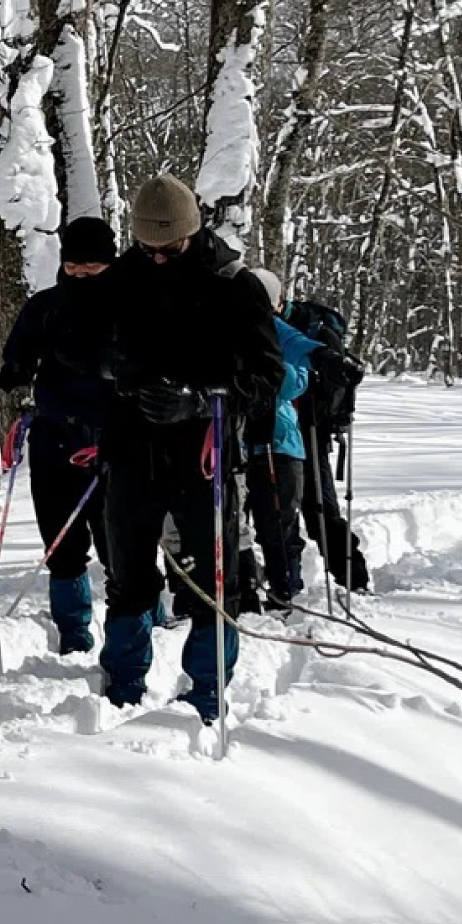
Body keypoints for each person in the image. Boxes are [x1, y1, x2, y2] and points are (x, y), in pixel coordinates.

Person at [97, 174, 281, 724]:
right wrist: (116, 373)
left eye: (168, 248)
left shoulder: (232, 284)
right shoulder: (121, 279)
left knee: (210, 580)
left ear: (190, 234)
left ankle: (206, 691)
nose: (157, 258)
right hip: (133, 449)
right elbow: (91, 351)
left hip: (204, 450)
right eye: (147, 248)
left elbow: (268, 375)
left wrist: (203, 399)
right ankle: (121, 687)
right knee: (128, 576)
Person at [0, 216, 117, 654]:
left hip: (113, 443)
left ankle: (141, 624)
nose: (82, 275)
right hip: (54, 438)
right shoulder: (45, 306)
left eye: (93, 268)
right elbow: (18, 353)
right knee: (62, 543)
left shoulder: (130, 305)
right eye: (73, 267)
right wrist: (14, 370)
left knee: (118, 545)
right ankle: (73, 633)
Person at [243, 268, 323, 609]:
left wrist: (266, 361)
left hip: (280, 444)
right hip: (236, 444)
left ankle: (284, 590)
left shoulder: (290, 338)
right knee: (233, 526)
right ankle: (243, 589)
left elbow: (295, 384)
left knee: (277, 524)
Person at [282, 295, 371, 593]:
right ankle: (285, 577)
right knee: (289, 509)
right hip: (282, 428)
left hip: (309, 429)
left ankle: (353, 578)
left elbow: (333, 378)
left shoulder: (313, 330)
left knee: (318, 507)